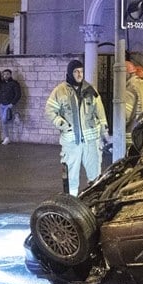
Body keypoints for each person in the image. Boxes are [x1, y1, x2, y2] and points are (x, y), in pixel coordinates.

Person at [45, 60, 110, 194]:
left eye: (81, 71)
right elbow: (49, 111)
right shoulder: (60, 91)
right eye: (76, 71)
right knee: (71, 175)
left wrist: (104, 130)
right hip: (71, 142)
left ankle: (94, 199)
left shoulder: (90, 90)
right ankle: (72, 201)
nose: (79, 74)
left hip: (91, 141)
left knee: (95, 174)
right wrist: (61, 123)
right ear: (70, 73)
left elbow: (100, 111)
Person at [0, 68, 23, 145]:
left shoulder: (15, 83)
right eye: (4, 74)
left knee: (4, 120)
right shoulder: (2, 84)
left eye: (7, 74)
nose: (5, 76)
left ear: (10, 75)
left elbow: (18, 94)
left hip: (9, 105)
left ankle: (16, 115)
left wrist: (12, 103)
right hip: (2, 104)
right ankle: (7, 137)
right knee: (3, 121)